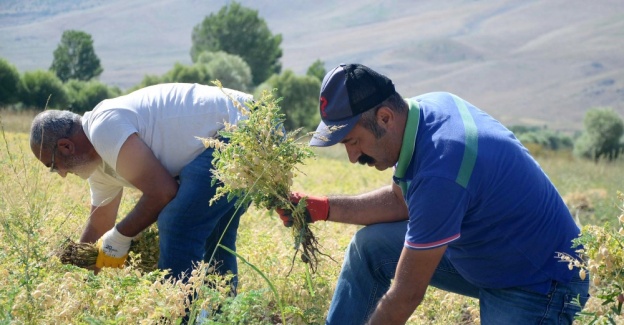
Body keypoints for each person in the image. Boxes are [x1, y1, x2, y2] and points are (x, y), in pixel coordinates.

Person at [276, 64, 589, 324]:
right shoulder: (423, 113)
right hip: (484, 254)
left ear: (385, 118)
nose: (353, 157)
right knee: (369, 248)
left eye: (353, 141)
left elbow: (406, 295)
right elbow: (402, 202)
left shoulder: (442, 166)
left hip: (538, 281)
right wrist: (323, 208)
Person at [30, 83, 250, 286]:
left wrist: (120, 236)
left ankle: (177, 316)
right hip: (244, 129)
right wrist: (76, 283)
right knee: (213, 233)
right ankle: (221, 312)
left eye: (53, 165)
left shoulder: (102, 127)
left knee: (177, 223)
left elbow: (163, 192)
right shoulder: (97, 166)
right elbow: (99, 225)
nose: (61, 175)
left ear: (66, 147)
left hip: (244, 127)